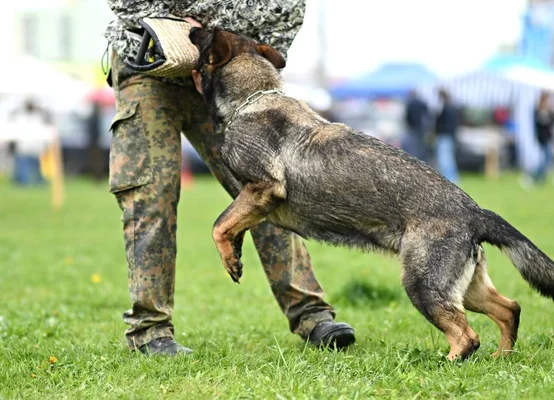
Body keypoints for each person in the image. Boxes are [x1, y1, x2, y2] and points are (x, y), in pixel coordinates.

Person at [104, 0, 355, 355]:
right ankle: (150, 332)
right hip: (148, 66)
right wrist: (174, 24)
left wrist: (220, 48)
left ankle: (312, 316)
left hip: (225, 75)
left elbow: (282, 25)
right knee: (151, 193)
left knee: (267, 186)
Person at [9, 99, 53, 186]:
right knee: (25, 165)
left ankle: (35, 180)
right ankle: (24, 181)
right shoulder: (22, 116)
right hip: (25, 145)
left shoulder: (37, 116)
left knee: (35, 165)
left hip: (34, 145)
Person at [434, 89, 460, 184]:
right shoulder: (451, 106)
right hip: (449, 136)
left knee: (445, 160)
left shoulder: (445, 107)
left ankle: (451, 179)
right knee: (448, 159)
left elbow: (444, 123)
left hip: (444, 135)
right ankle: (452, 178)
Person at [532, 92, 554, 183]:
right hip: (541, 138)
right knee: (544, 159)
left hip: (547, 138)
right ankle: (537, 175)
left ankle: (540, 176)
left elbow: (552, 122)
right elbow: (538, 125)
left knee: (546, 159)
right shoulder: (537, 112)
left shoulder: (548, 112)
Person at [404, 90, 429, 162]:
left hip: (413, 127)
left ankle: (414, 160)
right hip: (421, 127)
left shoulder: (410, 104)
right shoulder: (422, 103)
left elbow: (407, 116)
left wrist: (409, 124)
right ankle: (421, 160)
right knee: (421, 145)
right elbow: (427, 114)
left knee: (413, 145)